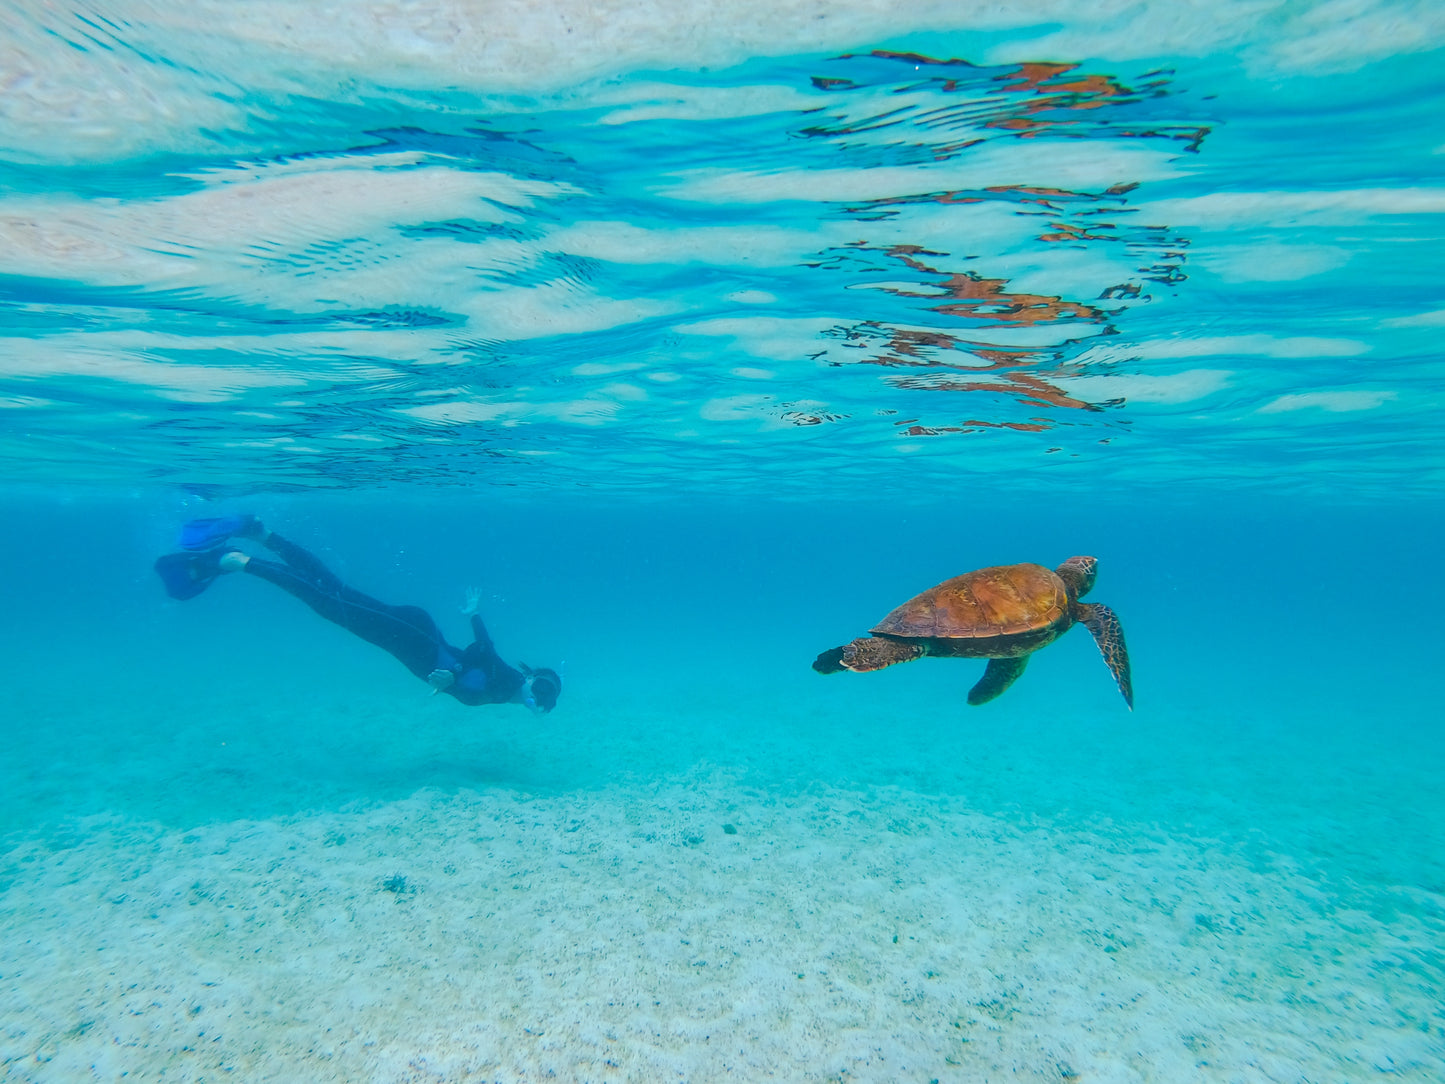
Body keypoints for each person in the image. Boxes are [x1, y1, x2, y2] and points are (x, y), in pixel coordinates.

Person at [154, 516, 561, 713]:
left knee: (335, 594)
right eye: (544, 694)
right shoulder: (507, 684)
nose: (540, 702)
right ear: (534, 682)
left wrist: (471, 624)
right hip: (412, 637)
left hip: (414, 634)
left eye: (545, 698)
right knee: (330, 604)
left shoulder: (506, 687)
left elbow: (483, 653)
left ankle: (261, 534)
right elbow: (482, 658)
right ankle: (238, 561)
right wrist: (453, 673)